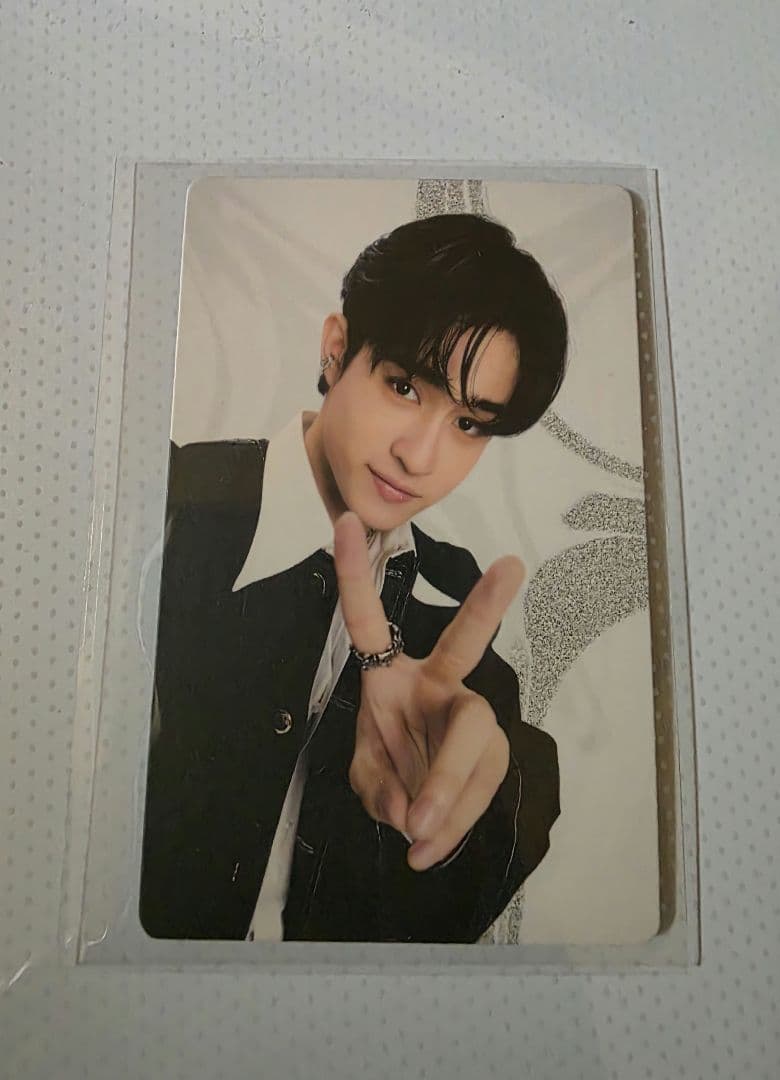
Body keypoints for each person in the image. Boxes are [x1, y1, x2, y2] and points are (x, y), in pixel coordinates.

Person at [139, 212, 568, 943]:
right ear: (336, 350)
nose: (421, 457)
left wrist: (447, 819)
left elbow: (438, 919)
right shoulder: (160, 499)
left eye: (469, 424)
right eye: (404, 386)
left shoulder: (452, 601)